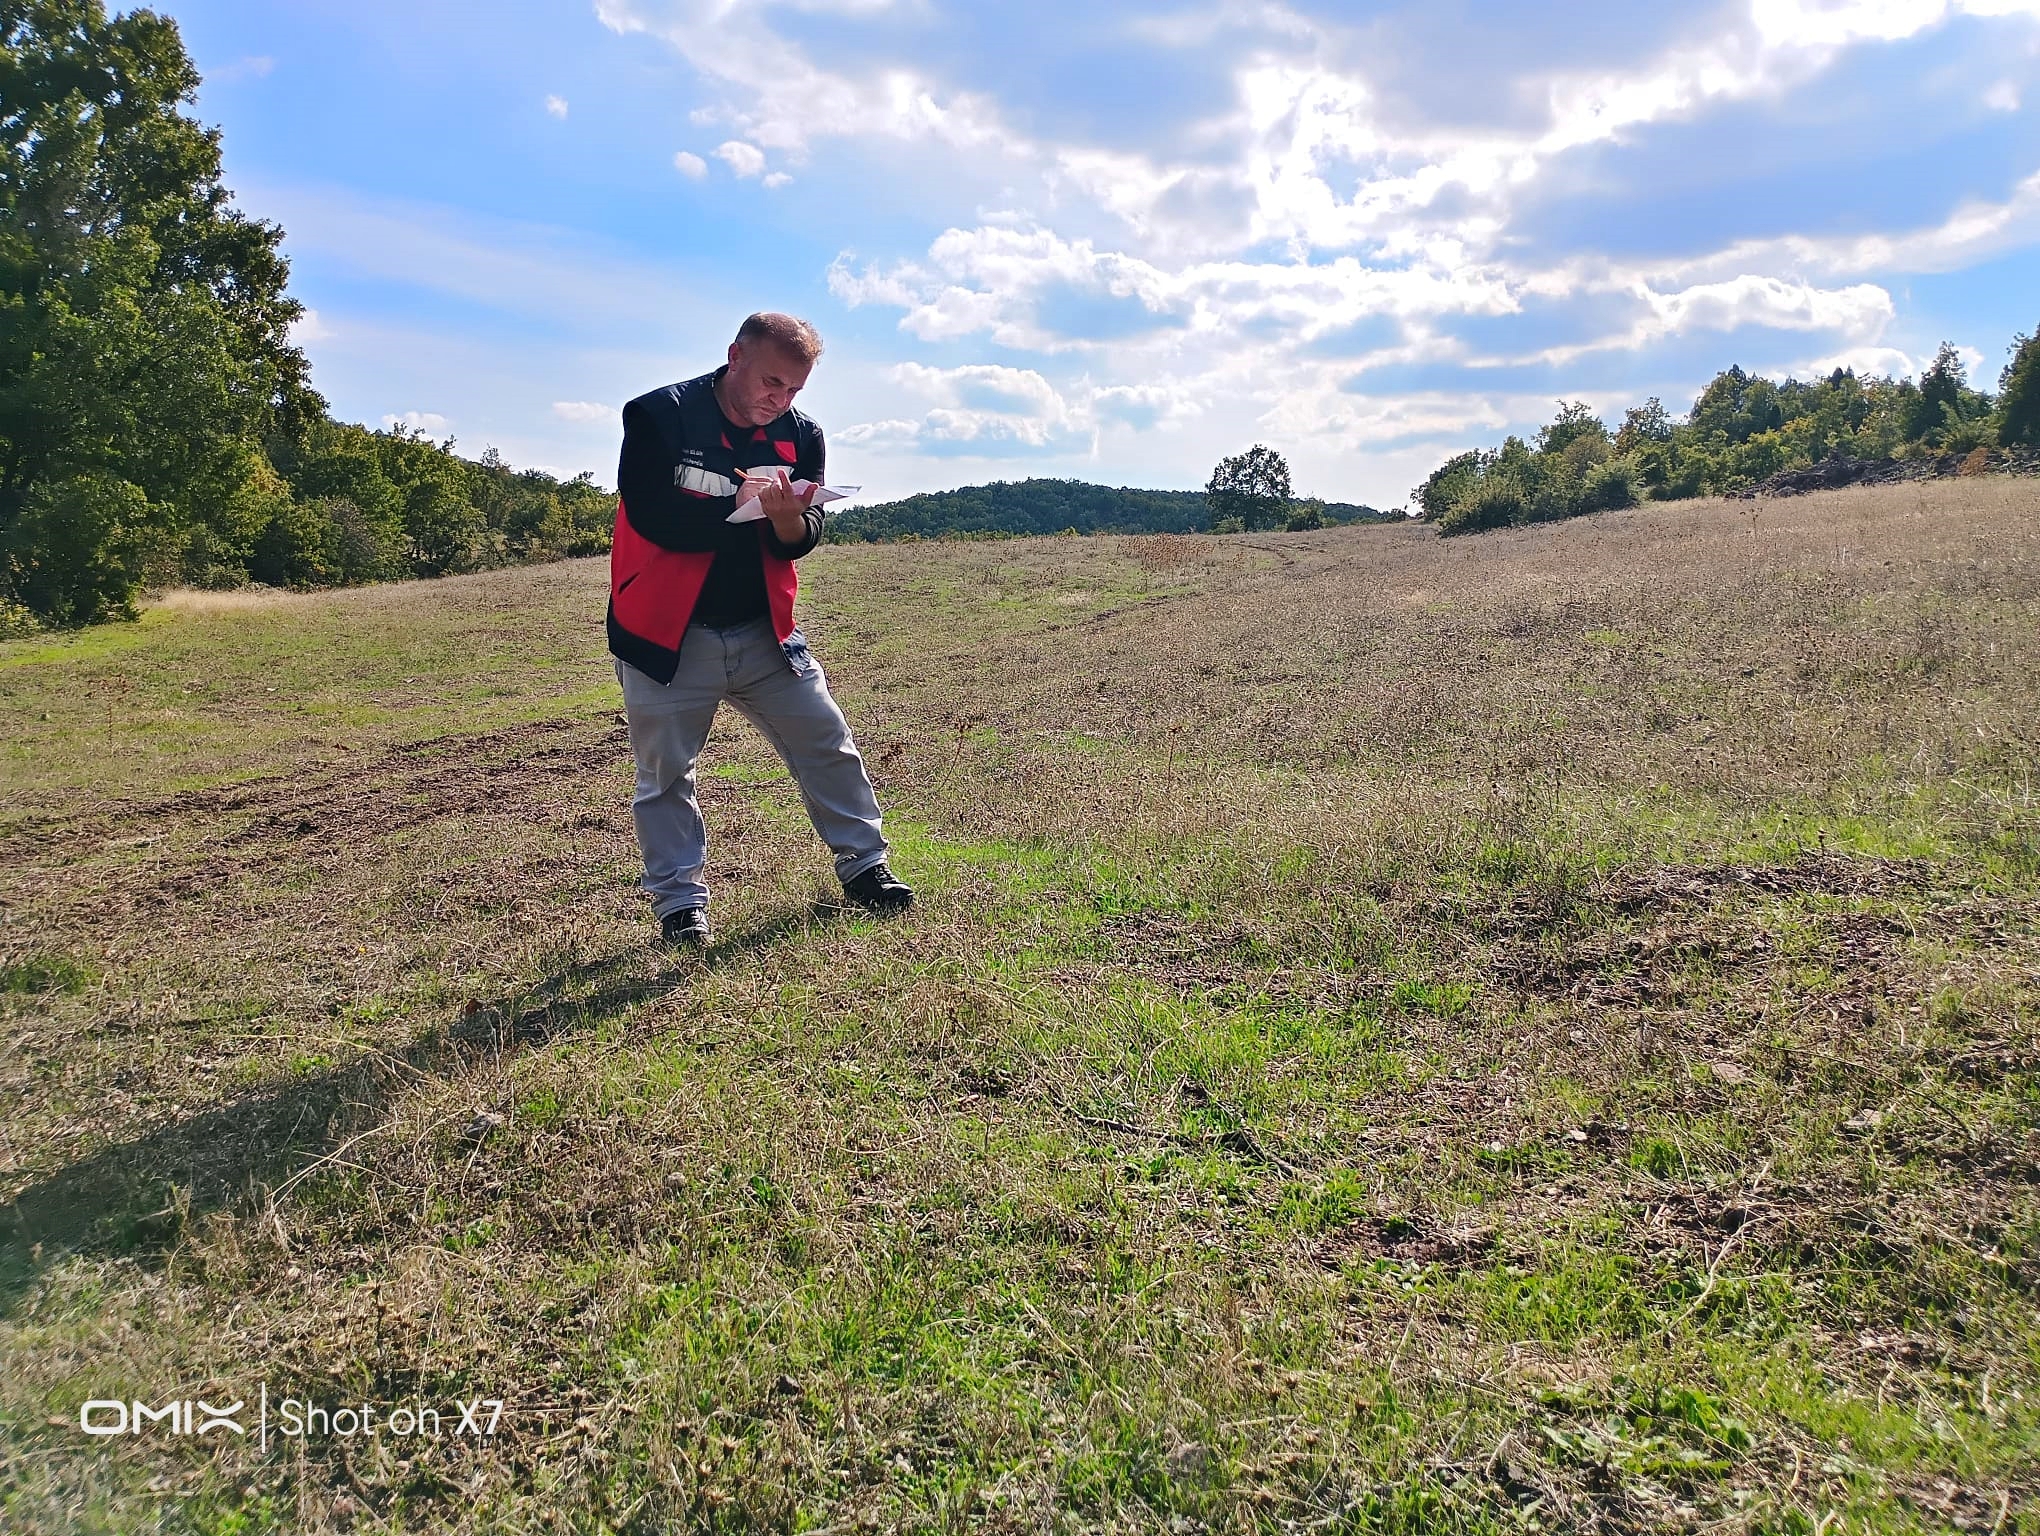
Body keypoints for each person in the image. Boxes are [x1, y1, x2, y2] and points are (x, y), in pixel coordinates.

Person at [607, 312, 912, 946]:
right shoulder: (658, 415)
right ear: (734, 357)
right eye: (772, 382)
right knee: (666, 773)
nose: (781, 399)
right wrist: (742, 508)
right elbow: (656, 519)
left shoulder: (802, 436)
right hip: (665, 632)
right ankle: (680, 906)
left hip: (763, 629)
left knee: (827, 741)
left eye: (795, 389)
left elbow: (801, 543)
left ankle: (867, 869)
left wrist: (788, 519)